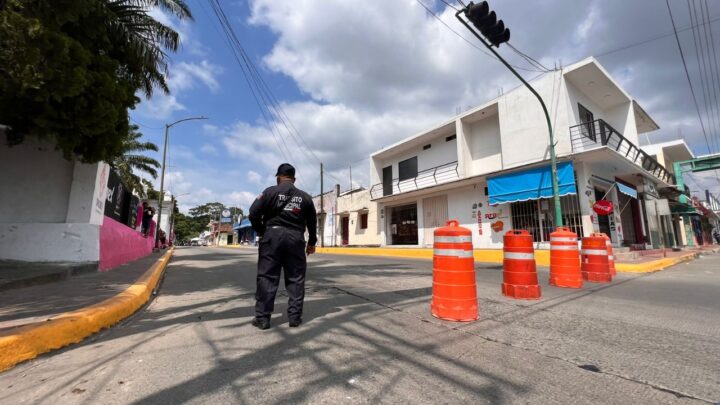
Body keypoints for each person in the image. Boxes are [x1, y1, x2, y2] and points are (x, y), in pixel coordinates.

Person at [248, 163, 317, 330]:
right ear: (294, 179)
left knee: (267, 277)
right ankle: (294, 317)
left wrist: (262, 231)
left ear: (278, 177)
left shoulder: (269, 192)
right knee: (296, 278)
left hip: (272, 236)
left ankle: (263, 319)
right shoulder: (305, 197)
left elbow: (253, 213)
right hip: (296, 238)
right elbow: (312, 222)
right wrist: (312, 242)